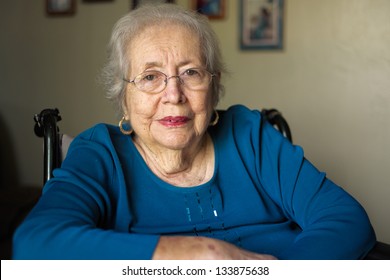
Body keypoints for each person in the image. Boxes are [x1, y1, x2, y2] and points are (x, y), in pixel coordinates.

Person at [13, 3, 376, 260]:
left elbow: (345, 218)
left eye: (191, 72)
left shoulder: (250, 136)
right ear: (124, 98)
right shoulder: (101, 152)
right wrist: (190, 253)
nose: (173, 95)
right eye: (150, 77)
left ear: (214, 88)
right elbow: (35, 245)